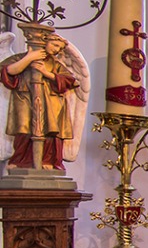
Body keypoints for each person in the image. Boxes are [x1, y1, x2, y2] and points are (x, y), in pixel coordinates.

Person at [1, 28, 88, 172]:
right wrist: (30, 58)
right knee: (23, 129)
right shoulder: (21, 58)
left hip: (51, 103)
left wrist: (46, 73)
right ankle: (21, 160)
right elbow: (7, 71)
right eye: (55, 45)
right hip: (25, 99)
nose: (57, 50)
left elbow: (71, 81)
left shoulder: (55, 64)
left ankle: (47, 160)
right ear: (45, 42)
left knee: (50, 131)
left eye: (59, 48)